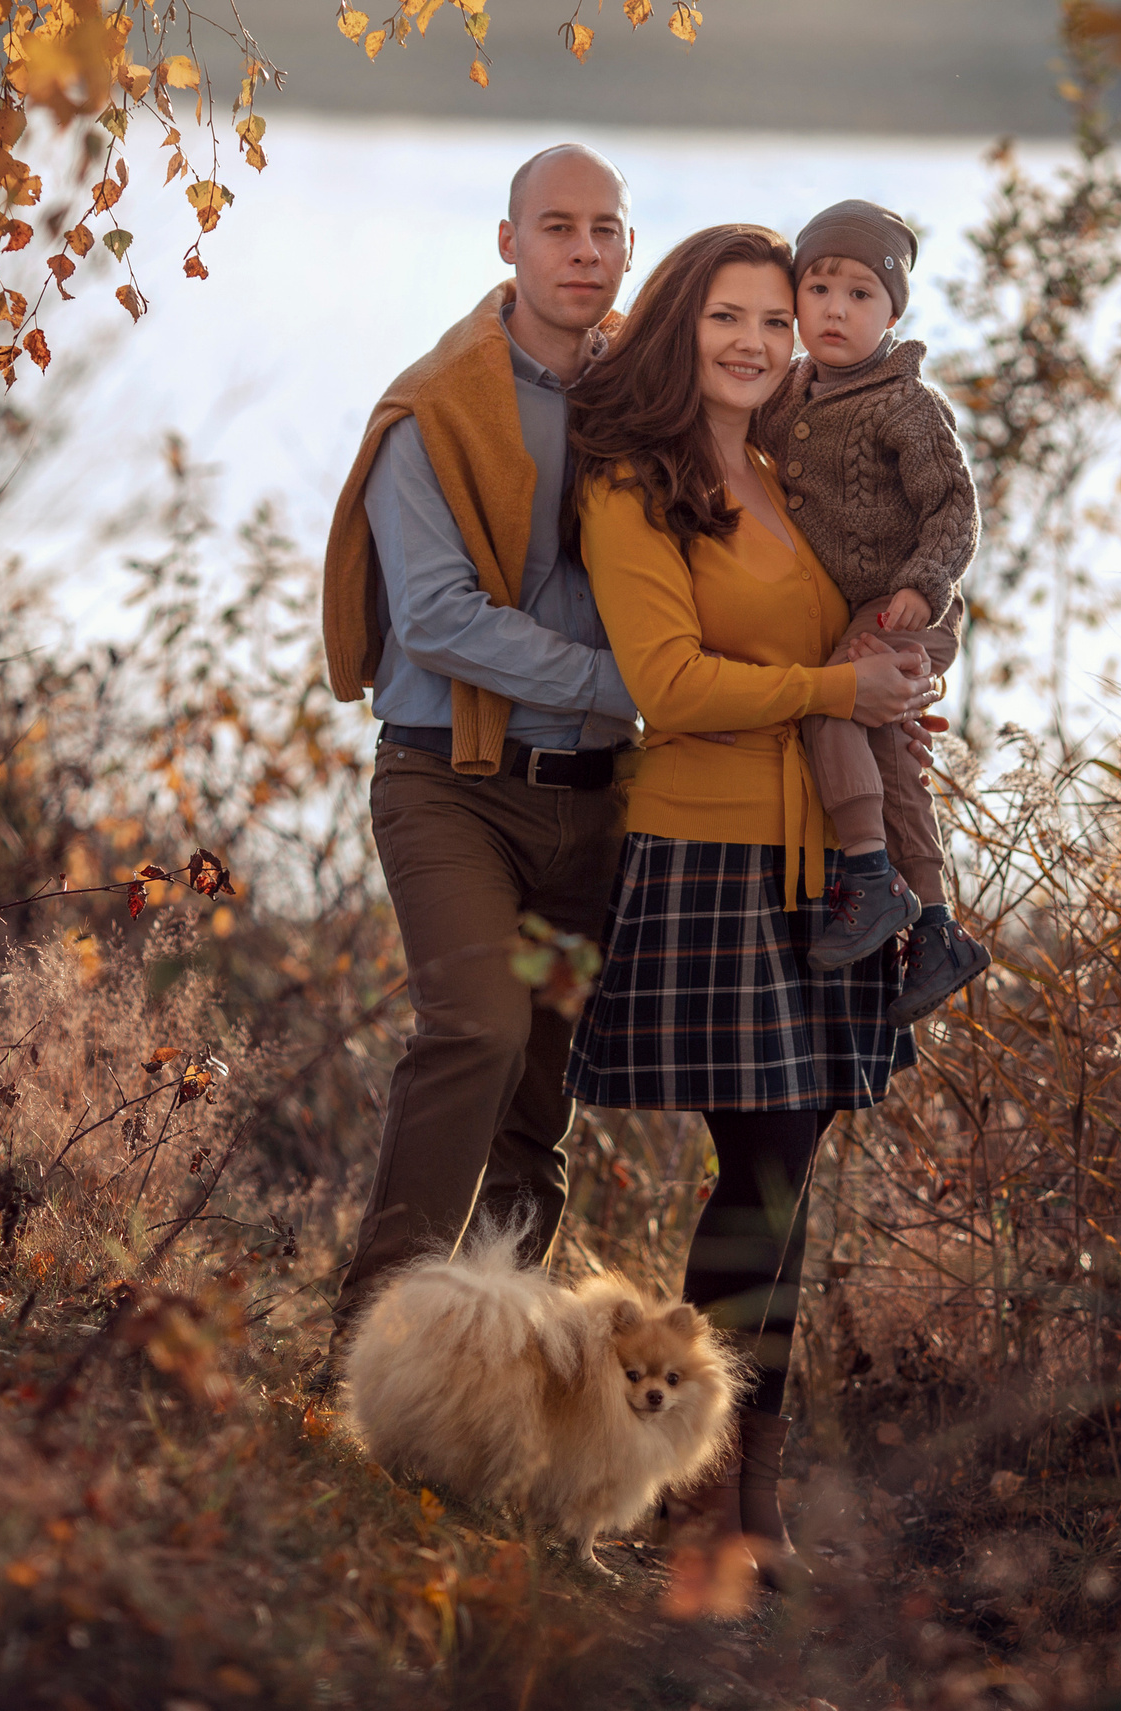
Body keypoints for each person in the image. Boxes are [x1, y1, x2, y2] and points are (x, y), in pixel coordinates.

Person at [561, 224, 937, 1572]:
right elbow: (668, 683)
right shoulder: (634, 487)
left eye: (777, 320)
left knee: (787, 1173)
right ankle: (702, 1492)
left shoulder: (785, 475)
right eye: (729, 315)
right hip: (712, 853)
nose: (758, 341)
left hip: (823, 859)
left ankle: (734, 1488)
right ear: (680, 324)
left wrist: (889, 693)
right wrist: (842, 690)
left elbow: (840, 639)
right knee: (765, 1170)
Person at [315, 145, 638, 1369]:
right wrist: (628, 686)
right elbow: (440, 619)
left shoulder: (645, 394)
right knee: (478, 1033)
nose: (584, 251)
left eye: (605, 228)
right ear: (508, 242)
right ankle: (368, 1351)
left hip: (595, 801)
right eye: (557, 226)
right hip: (451, 784)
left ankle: (487, 1374)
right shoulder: (437, 406)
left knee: (541, 1091)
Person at [756, 198, 991, 1024]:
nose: (835, 309)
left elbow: (955, 506)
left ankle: (867, 874)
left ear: (893, 314)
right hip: (855, 610)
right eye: (818, 289)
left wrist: (923, 585)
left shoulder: (905, 404)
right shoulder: (788, 391)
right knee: (890, 753)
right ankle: (936, 927)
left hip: (903, 606)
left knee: (834, 707)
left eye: (860, 294)